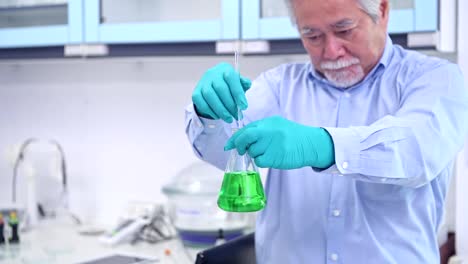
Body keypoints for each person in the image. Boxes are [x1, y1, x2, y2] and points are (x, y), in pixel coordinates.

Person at [185, 0, 468, 263]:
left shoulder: (435, 79)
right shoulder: (280, 85)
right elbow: (226, 148)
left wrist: (323, 146)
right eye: (313, 36)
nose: (331, 51)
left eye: (344, 30)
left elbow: (416, 150)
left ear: (381, 11)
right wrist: (209, 114)